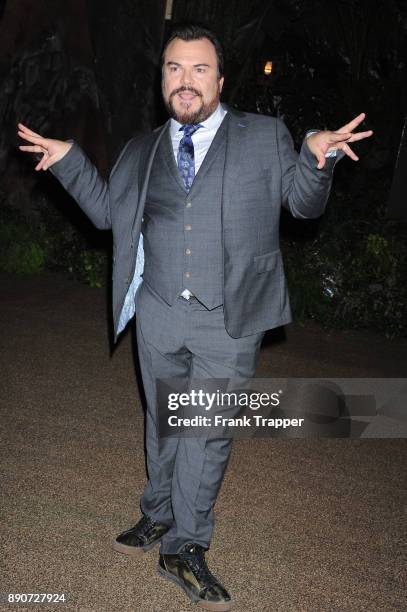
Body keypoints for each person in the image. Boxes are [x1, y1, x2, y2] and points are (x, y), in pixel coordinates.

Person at [18, 24, 373, 611]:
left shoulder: (263, 136)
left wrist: (318, 156)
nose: (186, 80)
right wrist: (70, 162)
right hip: (157, 312)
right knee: (163, 421)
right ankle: (156, 514)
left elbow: (303, 205)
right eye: (174, 69)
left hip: (229, 317)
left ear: (221, 79)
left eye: (199, 69)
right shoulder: (141, 149)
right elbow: (109, 216)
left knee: (205, 434)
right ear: (163, 80)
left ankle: (185, 545)